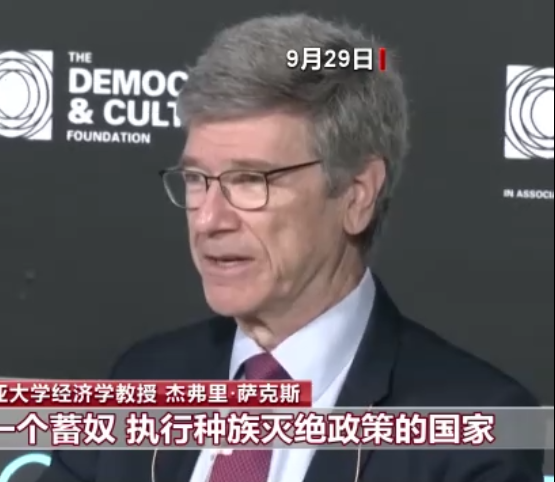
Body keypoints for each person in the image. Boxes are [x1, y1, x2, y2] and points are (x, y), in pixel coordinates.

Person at [36, 13, 542, 482]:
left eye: (250, 180)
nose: (209, 220)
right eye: (196, 179)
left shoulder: (474, 433)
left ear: (356, 195)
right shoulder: (142, 381)